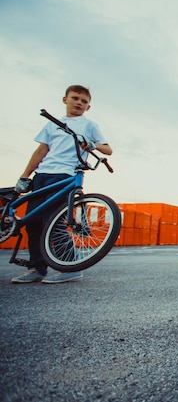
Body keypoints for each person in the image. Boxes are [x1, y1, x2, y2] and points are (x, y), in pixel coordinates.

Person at [11, 85, 112, 284]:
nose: (79, 103)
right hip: (42, 175)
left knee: (54, 221)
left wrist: (92, 144)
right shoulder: (52, 124)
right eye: (75, 98)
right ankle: (37, 269)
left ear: (88, 107)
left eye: (84, 101)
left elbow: (108, 149)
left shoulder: (89, 125)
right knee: (33, 222)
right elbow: (40, 152)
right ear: (65, 100)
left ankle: (70, 267)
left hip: (65, 175)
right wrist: (25, 176)